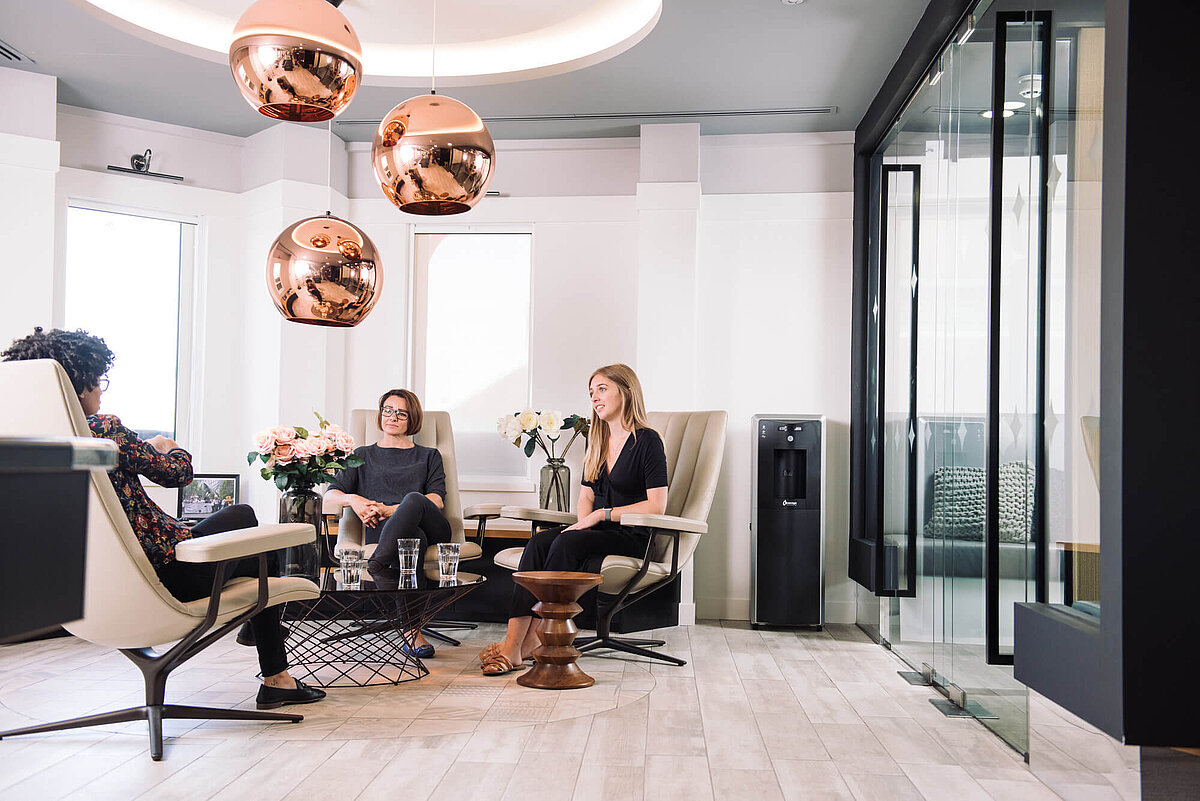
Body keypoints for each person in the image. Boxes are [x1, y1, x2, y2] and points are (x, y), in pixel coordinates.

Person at [1, 327, 325, 710]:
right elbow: (176, 475)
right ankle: (273, 667)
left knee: (240, 518)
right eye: (98, 381)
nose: (101, 390)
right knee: (251, 527)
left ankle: (262, 638)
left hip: (83, 593)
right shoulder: (105, 430)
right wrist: (170, 448)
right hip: (171, 577)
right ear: (82, 381)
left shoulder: (26, 448)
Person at [479, 363, 668, 676]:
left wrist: (599, 517)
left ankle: (530, 644)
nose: (594, 397)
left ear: (626, 391)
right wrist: (584, 521)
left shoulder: (647, 441)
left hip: (632, 536)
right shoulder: (596, 440)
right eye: (591, 392)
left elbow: (657, 506)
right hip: (599, 531)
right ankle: (515, 643)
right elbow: (585, 497)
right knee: (540, 541)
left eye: (602, 389)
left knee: (569, 541)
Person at [323, 388, 450, 658]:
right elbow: (331, 493)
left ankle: (376, 564)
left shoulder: (429, 456)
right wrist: (355, 500)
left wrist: (391, 509)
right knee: (411, 541)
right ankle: (412, 632)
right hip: (389, 534)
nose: (392, 417)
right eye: (387, 411)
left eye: (400, 413)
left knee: (414, 500)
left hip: (432, 525)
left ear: (411, 419)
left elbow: (436, 501)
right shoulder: (362, 455)